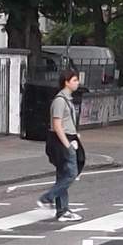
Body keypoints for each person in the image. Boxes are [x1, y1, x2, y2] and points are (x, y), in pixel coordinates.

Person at [37, 70, 85, 222]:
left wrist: (75, 134)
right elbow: (57, 125)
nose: (77, 83)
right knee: (71, 174)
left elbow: (65, 122)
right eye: (75, 80)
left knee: (63, 176)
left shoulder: (67, 99)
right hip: (61, 142)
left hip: (69, 138)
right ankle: (47, 198)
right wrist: (68, 145)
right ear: (66, 82)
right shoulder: (59, 101)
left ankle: (62, 210)